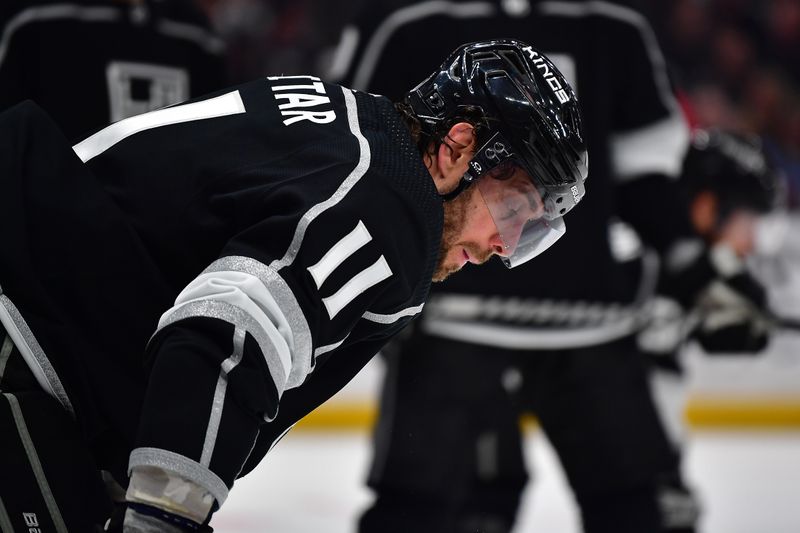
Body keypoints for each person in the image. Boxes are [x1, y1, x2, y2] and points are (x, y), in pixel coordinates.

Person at [0, 39, 587, 532]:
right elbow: (226, 338)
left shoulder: (351, 122)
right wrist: (165, 516)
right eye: (514, 209)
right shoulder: (390, 210)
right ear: (458, 147)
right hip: (24, 328)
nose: (505, 245)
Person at [324, 1, 758, 532]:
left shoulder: (614, 27)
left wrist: (698, 270)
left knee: (639, 511)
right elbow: (363, 152)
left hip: (578, 325)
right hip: (453, 319)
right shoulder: (411, 19)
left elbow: (649, 178)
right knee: (420, 512)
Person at [644, 127, 783, 447]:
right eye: (750, 223)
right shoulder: (636, 256)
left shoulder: (694, 271)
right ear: (707, 207)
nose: (750, 244)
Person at [0, 0, 228, 142]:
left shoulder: (196, 35)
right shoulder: (30, 18)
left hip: (168, 213)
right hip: (54, 214)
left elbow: (216, 147)